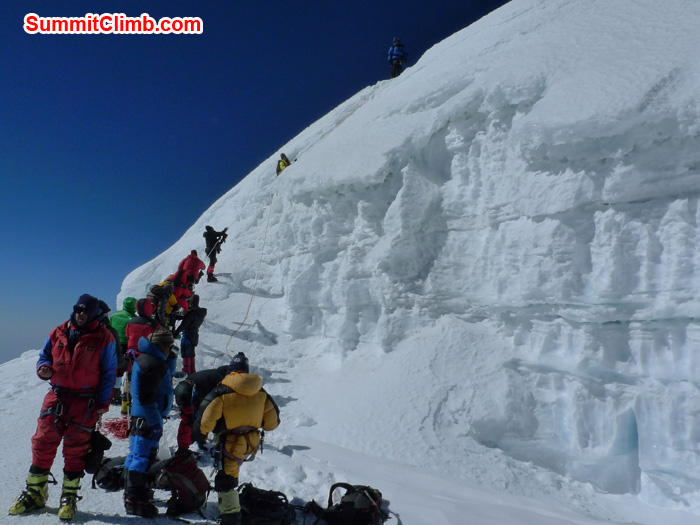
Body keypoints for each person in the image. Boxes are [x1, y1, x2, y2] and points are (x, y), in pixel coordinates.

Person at [9, 294, 117, 521]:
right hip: (56, 397)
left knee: (76, 448)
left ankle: (69, 496)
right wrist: (43, 368)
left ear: (95, 314)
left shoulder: (104, 338)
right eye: (78, 309)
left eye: (85, 311)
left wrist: (102, 403)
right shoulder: (58, 332)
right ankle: (35, 492)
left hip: (85, 402)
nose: (80, 314)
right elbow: (44, 356)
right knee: (42, 442)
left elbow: (109, 373)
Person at [194, 352, 280, 525]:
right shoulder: (260, 392)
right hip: (252, 441)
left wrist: (200, 437)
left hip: (231, 443)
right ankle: (230, 509)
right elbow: (272, 423)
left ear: (231, 371)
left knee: (227, 479)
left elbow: (204, 421)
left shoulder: (221, 391)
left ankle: (231, 517)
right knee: (229, 473)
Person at [124, 327, 177, 517]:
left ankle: (134, 492)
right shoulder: (151, 364)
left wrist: (171, 359)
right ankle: (135, 501)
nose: (170, 349)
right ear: (161, 345)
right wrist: (155, 423)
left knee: (137, 454)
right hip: (147, 417)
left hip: (143, 416)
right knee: (142, 457)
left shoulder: (151, 359)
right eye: (169, 346)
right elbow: (146, 398)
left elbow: (165, 375)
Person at [173, 364, 229, 451]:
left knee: (190, 419)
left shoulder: (212, 373)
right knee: (192, 420)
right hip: (187, 393)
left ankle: (190, 443)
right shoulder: (218, 377)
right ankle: (188, 445)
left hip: (182, 390)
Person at [97, 300, 128, 404]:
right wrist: (124, 365)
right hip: (111, 360)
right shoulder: (111, 331)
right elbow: (118, 355)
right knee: (117, 373)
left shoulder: (82, 330)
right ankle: (115, 394)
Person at [173, 294, 207, 375]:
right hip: (195, 334)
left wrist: (176, 332)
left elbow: (184, 324)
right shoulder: (201, 313)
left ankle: (186, 372)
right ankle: (193, 372)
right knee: (191, 354)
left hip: (187, 334)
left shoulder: (191, 313)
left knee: (186, 354)